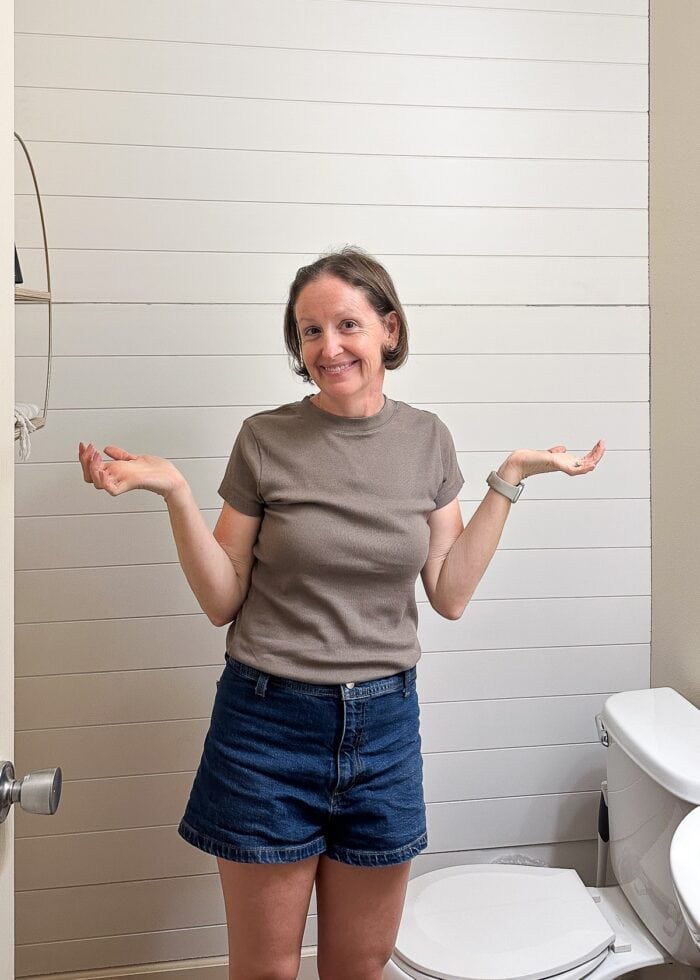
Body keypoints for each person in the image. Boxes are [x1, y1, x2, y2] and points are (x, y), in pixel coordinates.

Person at [78, 246, 605, 980]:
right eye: (309, 331)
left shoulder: (427, 440)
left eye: (347, 325)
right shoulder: (266, 439)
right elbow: (221, 598)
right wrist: (173, 493)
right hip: (266, 726)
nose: (328, 347)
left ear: (389, 329)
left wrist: (509, 479)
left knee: (359, 966)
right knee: (267, 970)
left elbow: (449, 593)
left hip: (384, 732)